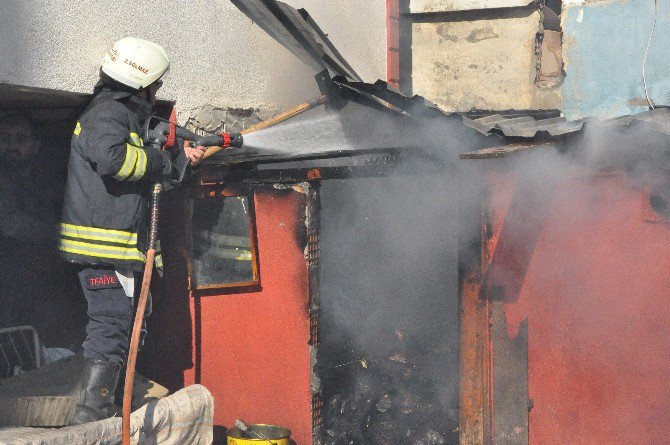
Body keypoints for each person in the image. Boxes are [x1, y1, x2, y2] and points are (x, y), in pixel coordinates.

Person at [59, 37, 206, 425]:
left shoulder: (123, 115)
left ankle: (112, 402)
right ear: (141, 82)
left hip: (118, 245)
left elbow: (143, 176)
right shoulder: (107, 112)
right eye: (155, 85)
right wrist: (161, 158)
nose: (156, 92)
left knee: (127, 324)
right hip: (102, 245)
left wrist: (179, 158)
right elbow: (113, 160)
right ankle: (92, 417)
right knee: (110, 325)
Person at [0, 112, 58, 328]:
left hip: (39, 282)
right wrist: (57, 233)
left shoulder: (46, 183)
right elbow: (9, 224)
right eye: (5, 139)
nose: (11, 146)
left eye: (20, 139)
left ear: (36, 146)